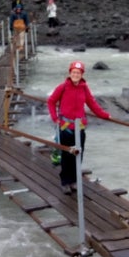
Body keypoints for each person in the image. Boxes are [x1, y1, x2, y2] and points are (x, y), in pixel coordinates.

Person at [47, 60, 110, 194]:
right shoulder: (62, 87)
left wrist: (104, 115)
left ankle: (74, 181)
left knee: (78, 156)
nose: (76, 75)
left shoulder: (84, 88)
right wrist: (55, 118)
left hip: (80, 127)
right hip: (65, 127)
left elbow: (92, 103)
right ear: (70, 73)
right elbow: (51, 101)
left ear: (82, 74)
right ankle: (65, 182)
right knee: (66, 155)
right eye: (74, 72)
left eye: (78, 73)